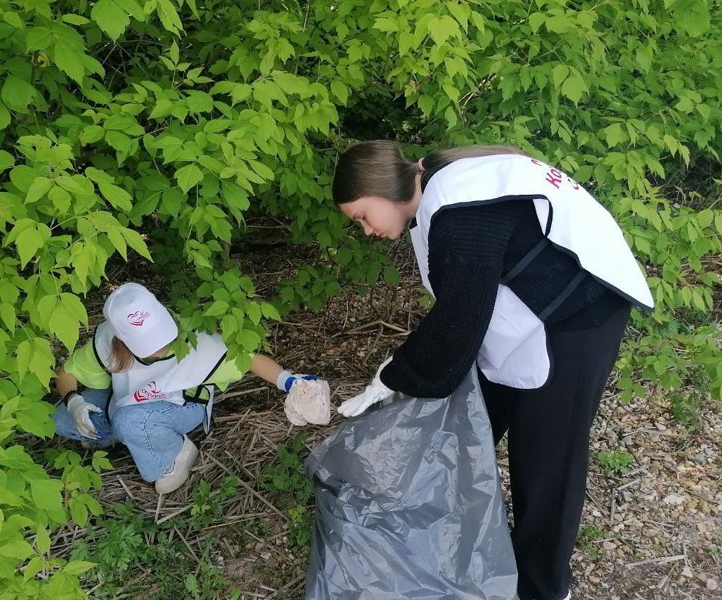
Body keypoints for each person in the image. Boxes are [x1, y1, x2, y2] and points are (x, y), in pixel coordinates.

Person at [332, 141, 653, 600]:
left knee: (547, 459)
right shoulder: (435, 185)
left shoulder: (461, 210)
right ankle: (458, 541)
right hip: (538, 304)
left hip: (583, 311)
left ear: (383, 191)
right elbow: (463, 314)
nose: (364, 230)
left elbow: (460, 322)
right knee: (478, 422)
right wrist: (404, 371)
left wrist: (394, 376)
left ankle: (543, 588)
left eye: (362, 215)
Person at [52, 282, 321, 495]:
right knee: (60, 419)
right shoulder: (107, 342)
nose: (160, 345)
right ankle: (123, 435)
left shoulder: (194, 337)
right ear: (121, 339)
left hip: (181, 404)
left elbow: (249, 358)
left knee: (130, 423)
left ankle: (175, 452)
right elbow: (67, 373)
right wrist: (74, 402)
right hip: (127, 400)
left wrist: (291, 382)